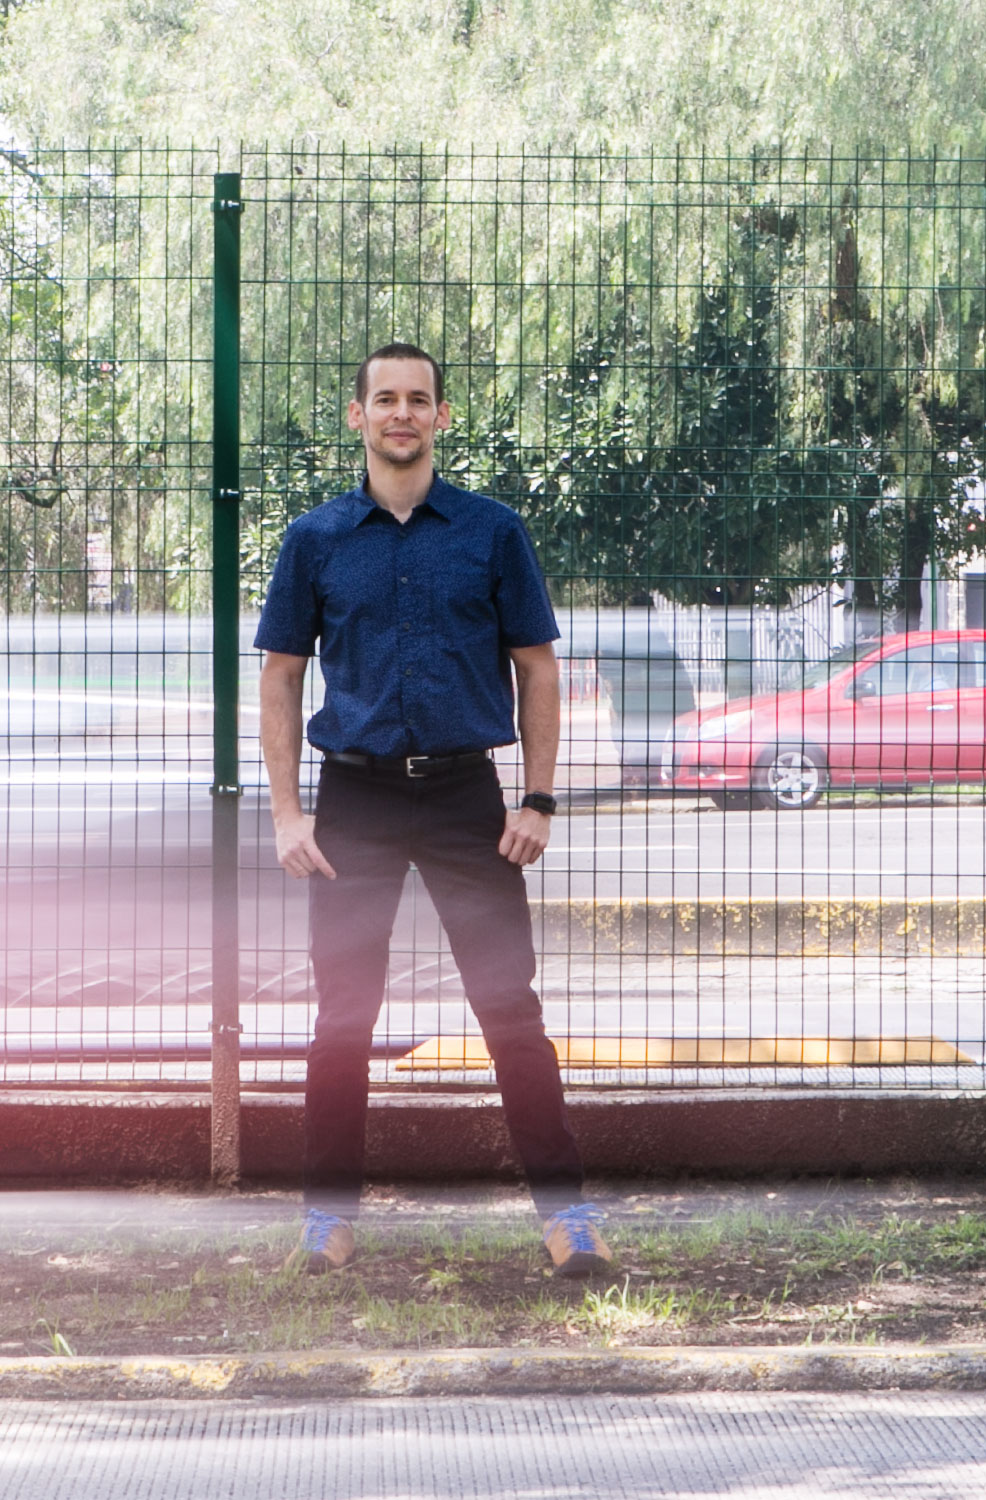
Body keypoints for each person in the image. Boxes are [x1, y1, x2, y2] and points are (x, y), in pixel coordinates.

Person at [254, 341, 612, 1280]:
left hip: (466, 798)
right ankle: (326, 1225)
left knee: (510, 1012)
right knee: (343, 1020)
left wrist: (536, 797)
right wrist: (291, 815)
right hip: (356, 804)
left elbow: (538, 669)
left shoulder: (492, 533)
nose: (401, 414)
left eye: (419, 400)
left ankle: (568, 1219)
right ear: (358, 416)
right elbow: (282, 679)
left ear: (442, 416)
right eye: (385, 399)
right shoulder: (315, 540)